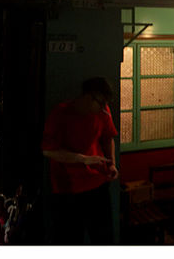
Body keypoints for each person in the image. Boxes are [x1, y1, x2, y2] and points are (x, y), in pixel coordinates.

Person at [41, 77, 119, 244]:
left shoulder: (103, 111)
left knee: (104, 238)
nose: (103, 107)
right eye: (101, 102)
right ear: (88, 96)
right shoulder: (61, 113)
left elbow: (108, 137)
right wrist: (83, 159)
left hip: (98, 183)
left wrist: (112, 163)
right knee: (71, 239)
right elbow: (48, 150)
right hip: (68, 188)